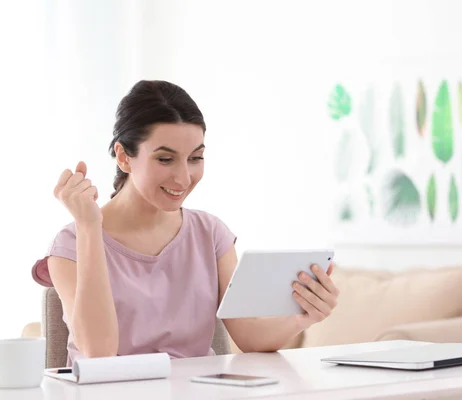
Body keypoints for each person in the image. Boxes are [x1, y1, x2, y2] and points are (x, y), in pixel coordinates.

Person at [31, 80, 340, 366]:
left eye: (195, 158)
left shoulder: (210, 234)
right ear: (123, 157)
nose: (183, 178)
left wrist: (304, 316)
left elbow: (248, 336)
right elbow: (99, 353)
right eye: (165, 159)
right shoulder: (70, 244)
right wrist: (89, 227)